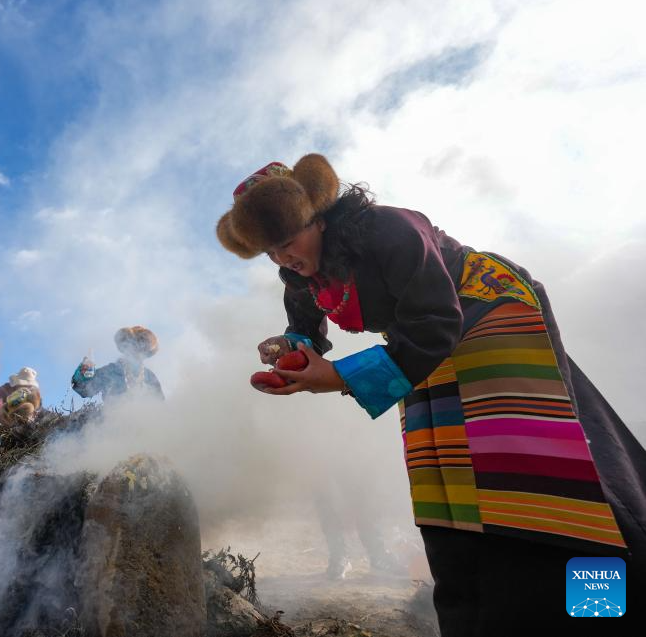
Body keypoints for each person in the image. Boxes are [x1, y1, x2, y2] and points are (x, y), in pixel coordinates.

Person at [216, 154, 646, 634]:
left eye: (286, 242)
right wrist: (289, 352)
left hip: (492, 314)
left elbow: (436, 322)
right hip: (422, 341)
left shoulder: (389, 229)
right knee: (443, 480)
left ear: (317, 216)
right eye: (268, 251)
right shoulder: (298, 276)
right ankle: (476, 619)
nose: (281, 258)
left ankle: (604, 610)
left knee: (531, 478)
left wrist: (341, 378)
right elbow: (305, 332)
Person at [71, 327, 164, 402]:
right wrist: (84, 373)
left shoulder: (150, 377)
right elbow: (83, 390)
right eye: (134, 345)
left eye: (143, 348)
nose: (138, 351)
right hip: (112, 422)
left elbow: (160, 406)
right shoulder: (110, 371)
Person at [0, 367, 43, 451]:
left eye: (29, 386)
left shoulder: (32, 399)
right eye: (24, 384)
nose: (26, 387)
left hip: (10, 448)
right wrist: (11, 418)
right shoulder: (3, 390)